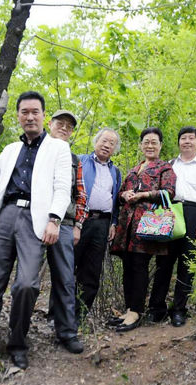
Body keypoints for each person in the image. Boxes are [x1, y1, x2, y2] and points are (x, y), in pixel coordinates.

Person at [0, 91, 72, 374]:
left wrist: (54, 219)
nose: (29, 116)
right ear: (18, 116)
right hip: (6, 215)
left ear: (43, 116)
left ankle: (17, 344)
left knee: (27, 284)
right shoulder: (12, 149)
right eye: (24, 112)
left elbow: (63, 188)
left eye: (35, 112)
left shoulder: (58, 148)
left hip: (35, 220)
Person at [109, 127, 176, 332]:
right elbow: (120, 195)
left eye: (154, 142)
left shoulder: (165, 168)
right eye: (146, 141)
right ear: (141, 145)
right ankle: (129, 309)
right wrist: (126, 195)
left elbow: (169, 193)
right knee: (128, 266)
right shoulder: (133, 169)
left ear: (160, 145)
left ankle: (136, 312)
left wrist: (143, 195)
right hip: (127, 227)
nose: (149, 145)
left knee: (139, 266)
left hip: (147, 225)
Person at [149, 126, 196, 327]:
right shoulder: (169, 164)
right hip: (171, 212)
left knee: (187, 265)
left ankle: (178, 310)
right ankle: (157, 308)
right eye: (183, 138)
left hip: (195, 214)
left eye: (191, 138)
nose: (187, 141)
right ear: (178, 142)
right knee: (164, 263)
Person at [44, 109, 87, 354]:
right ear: (50, 124)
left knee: (65, 279)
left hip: (65, 224)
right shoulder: (37, 149)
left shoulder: (74, 159)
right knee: (26, 279)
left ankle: (67, 332)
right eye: (60, 123)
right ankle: (20, 329)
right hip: (34, 219)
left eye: (69, 126)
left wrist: (78, 225)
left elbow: (81, 194)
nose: (64, 128)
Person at [74, 128, 122, 322]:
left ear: (114, 149)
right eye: (104, 140)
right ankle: (58, 314)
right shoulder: (80, 160)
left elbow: (116, 199)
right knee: (67, 268)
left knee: (92, 271)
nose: (107, 145)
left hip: (102, 224)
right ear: (96, 141)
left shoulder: (115, 171)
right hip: (79, 221)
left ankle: (79, 317)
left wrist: (113, 223)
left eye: (111, 143)